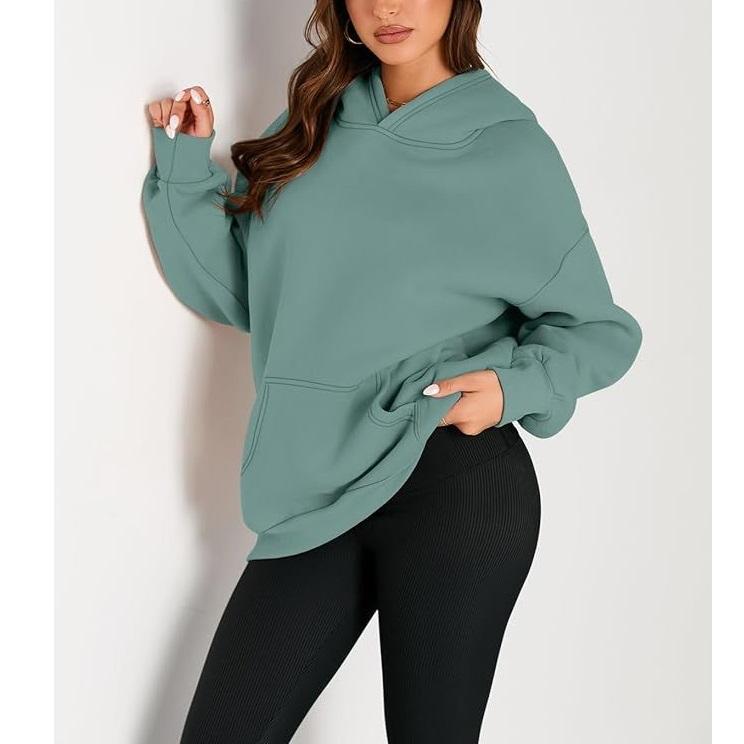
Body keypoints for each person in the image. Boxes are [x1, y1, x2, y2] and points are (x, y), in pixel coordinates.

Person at [141, 1, 642, 741]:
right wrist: (186, 170)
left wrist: (513, 389)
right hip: (317, 487)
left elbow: (600, 330)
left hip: (454, 482)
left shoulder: (509, 148)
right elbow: (251, 290)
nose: (387, 7)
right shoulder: (315, 120)